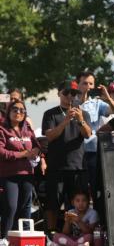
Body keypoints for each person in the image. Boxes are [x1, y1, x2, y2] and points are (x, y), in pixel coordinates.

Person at [42, 83, 92, 233]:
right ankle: (51, 234)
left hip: (77, 167)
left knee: (79, 203)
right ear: (59, 93)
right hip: (56, 166)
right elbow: (49, 136)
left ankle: (78, 233)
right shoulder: (50, 114)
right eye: (67, 92)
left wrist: (80, 119)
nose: (70, 96)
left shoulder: (84, 114)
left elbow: (88, 134)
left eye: (74, 93)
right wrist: (65, 121)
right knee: (52, 203)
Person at [0, 100, 40, 246]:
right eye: (15, 109)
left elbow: (37, 145)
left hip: (27, 174)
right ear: (9, 112)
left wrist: (36, 152)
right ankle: (4, 238)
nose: (18, 112)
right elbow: (2, 152)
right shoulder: (3, 129)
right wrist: (23, 154)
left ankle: (22, 237)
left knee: (24, 207)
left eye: (22, 110)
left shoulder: (27, 129)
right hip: (9, 174)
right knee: (10, 206)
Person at [75, 72, 114, 196]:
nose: (88, 86)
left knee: (96, 188)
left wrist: (108, 98)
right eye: (84, 83)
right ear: (77, 85)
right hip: (75, 153)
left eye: (91, 84)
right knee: (77, 191)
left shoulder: (96, 103)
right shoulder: (71, 102)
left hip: (93, 151)